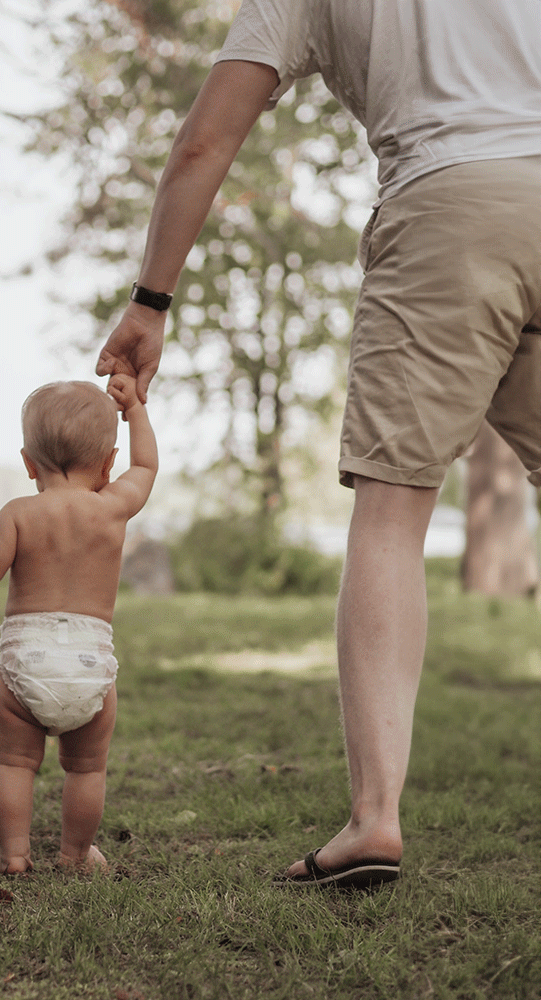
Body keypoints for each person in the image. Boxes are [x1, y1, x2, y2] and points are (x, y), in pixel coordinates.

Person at [97, 0, 541, 888]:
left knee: (392, 511)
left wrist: (150, 302)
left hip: (448, 205)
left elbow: (204, 143)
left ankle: (375, 819)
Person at [0, 375, 158, 874]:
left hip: (26, 659)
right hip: (89, 663)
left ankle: (14, 855)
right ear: (108, 463)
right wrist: (135, 409)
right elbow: (146, 466)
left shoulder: (18, 513)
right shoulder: (113, 507)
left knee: (14, 764)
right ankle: (75, 856)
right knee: (87, 769)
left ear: (29, 463)